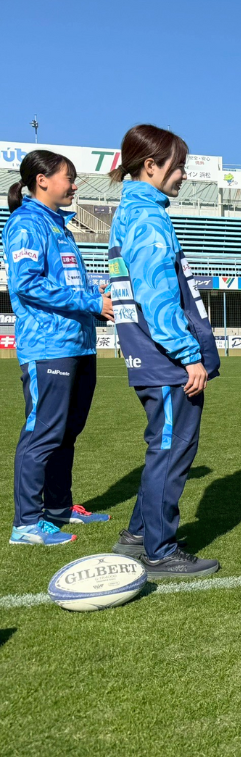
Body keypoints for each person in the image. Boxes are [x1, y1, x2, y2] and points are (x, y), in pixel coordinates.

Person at [105, 124, 221, 578]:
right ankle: (159, 550)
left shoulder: (130, 212)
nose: (184, 174)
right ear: (150, 166)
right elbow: (157, 295)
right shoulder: (148, 217)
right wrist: (187, 354)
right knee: (171, 452)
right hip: (165, 360)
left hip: (149, 356)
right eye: (178, 165)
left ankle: (138, 534)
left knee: (164, 448)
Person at [6, 150, 114, 546]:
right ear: (42, 180)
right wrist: (89, 302)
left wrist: (95, 295)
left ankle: (57, 507)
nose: (74, 185)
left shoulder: (61, 227)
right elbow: (27, 284)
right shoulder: (26, 224)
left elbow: (65, 282)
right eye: (69, 177)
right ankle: (26, 524)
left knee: (67, 431)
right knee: (42, 433)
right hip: (48, 347)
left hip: (79, 344)